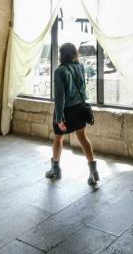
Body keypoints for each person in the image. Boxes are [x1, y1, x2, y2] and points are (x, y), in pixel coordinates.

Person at [45, 42, 99, 185]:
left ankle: (55, 169)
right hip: (80, 108)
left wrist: (59, 118)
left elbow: (60, 97)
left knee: (58, 139)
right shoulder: (80, 67)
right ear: (74, 53)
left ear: (62, 55)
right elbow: (83, 89)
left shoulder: (60, 71)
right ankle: (93, 171)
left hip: (66, 111)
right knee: (82, 137)